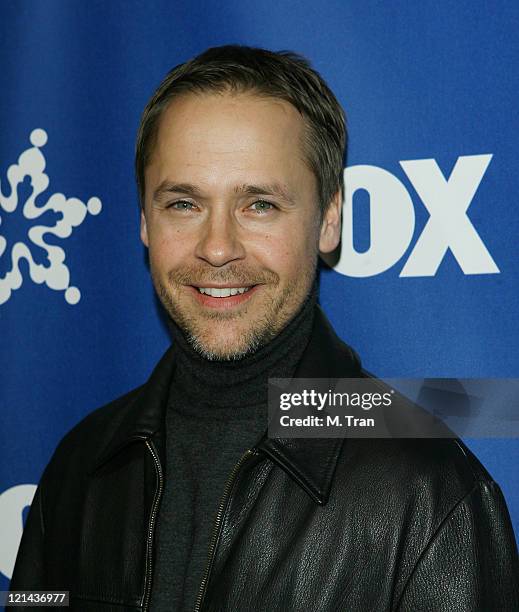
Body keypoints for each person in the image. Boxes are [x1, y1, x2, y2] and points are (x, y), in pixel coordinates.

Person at [9, 45, 518, 611]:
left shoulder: (432, 491)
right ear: (144, 221)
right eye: (184, 203)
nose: (218, 247)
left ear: (329, 219)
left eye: (260, 206)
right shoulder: (80, 466)